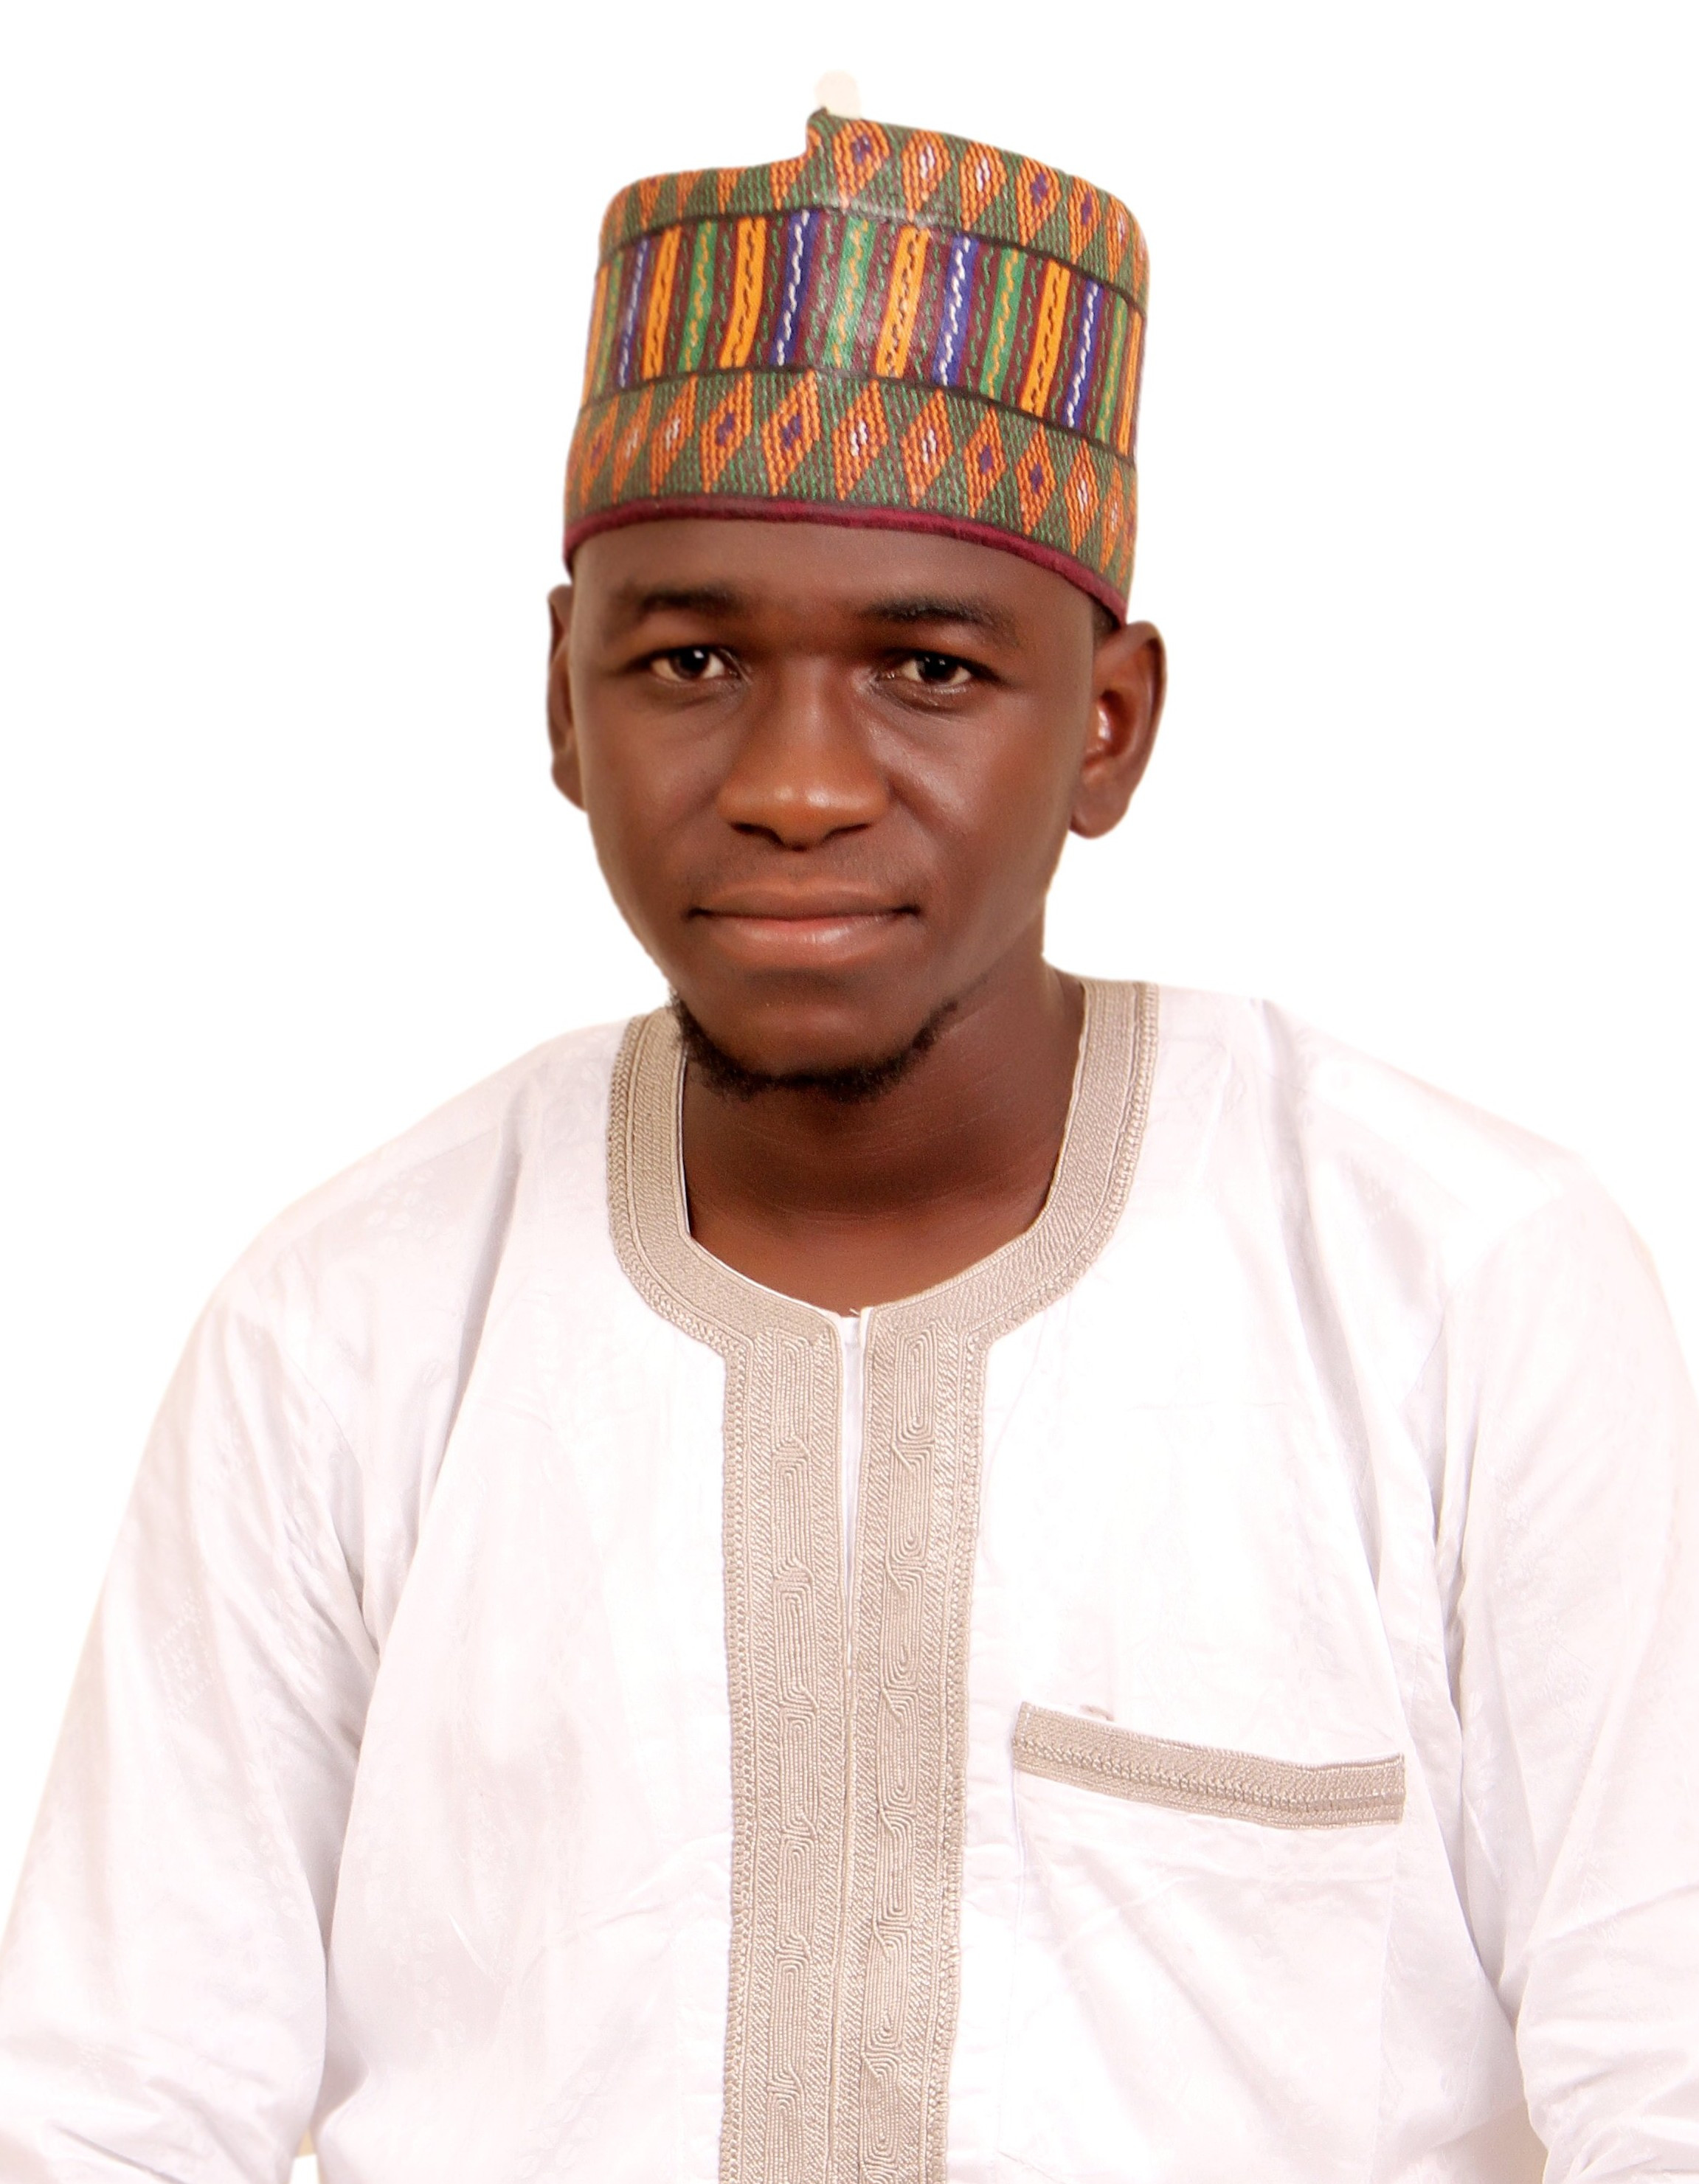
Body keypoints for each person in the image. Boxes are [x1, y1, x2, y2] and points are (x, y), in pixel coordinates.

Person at [1, 103, 1695, 2184]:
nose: (798, 783)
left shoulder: (1458, 1287)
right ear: (564, 703)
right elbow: (111, 2115)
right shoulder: (354, 1323)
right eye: (694, 660)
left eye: (926, 668)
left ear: (1107, 726)